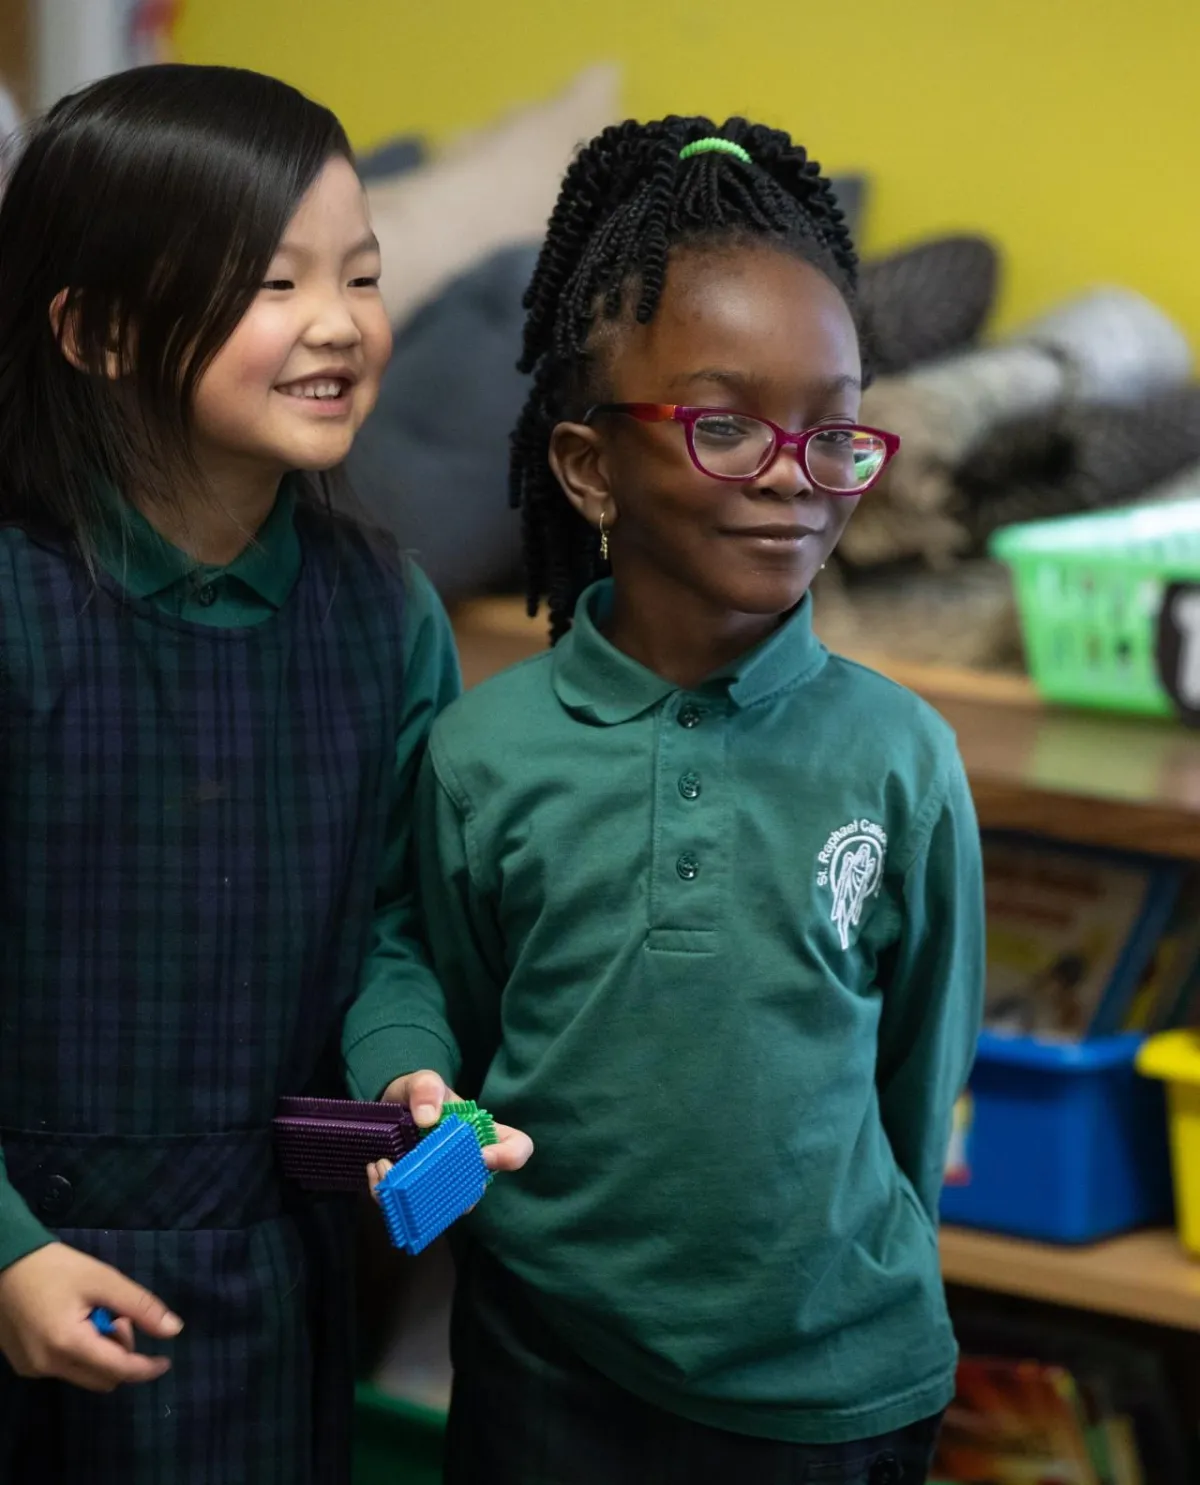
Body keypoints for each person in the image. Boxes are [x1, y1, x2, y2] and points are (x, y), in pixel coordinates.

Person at [378, 116, 985, 1484]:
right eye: (723, 425)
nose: (790, 472)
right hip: (550, 1385)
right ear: (590, 468)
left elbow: (919, 1081)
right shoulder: (486, 757)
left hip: (838, 1393)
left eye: (833, 434)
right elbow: (465, 1032)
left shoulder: (903, 757)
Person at [0, 63, 526, 1484]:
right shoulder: (16, 603)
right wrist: (10, 1254)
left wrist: (408, 1081)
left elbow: (393, 924)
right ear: (98, 330)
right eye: (271, 284)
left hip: (264, 1288)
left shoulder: (383, 612)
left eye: (359, 276)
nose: (339, 325)